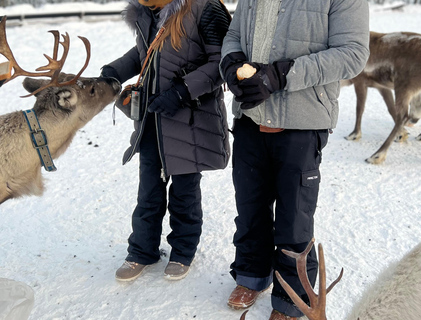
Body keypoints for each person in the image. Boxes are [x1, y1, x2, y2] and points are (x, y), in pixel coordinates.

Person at [220, 0, 369, 319]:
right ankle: (250, 276)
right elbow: (234, 34)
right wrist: (231, 64)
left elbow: (352, 53)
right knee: (250, 207)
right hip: (250, 117)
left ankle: (291, 298)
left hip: (302, 121)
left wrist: (279, 76)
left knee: (294, 217)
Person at [100, 0, 231, 282]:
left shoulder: (206, 9)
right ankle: (141, 251)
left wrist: (183, 91)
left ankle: (183, 251)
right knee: (148, 191)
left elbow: (223, 61)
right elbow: (144, 55)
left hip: (189, 118)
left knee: (184, 192)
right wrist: (113, 70)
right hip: (152, 117)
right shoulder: (148, 12)